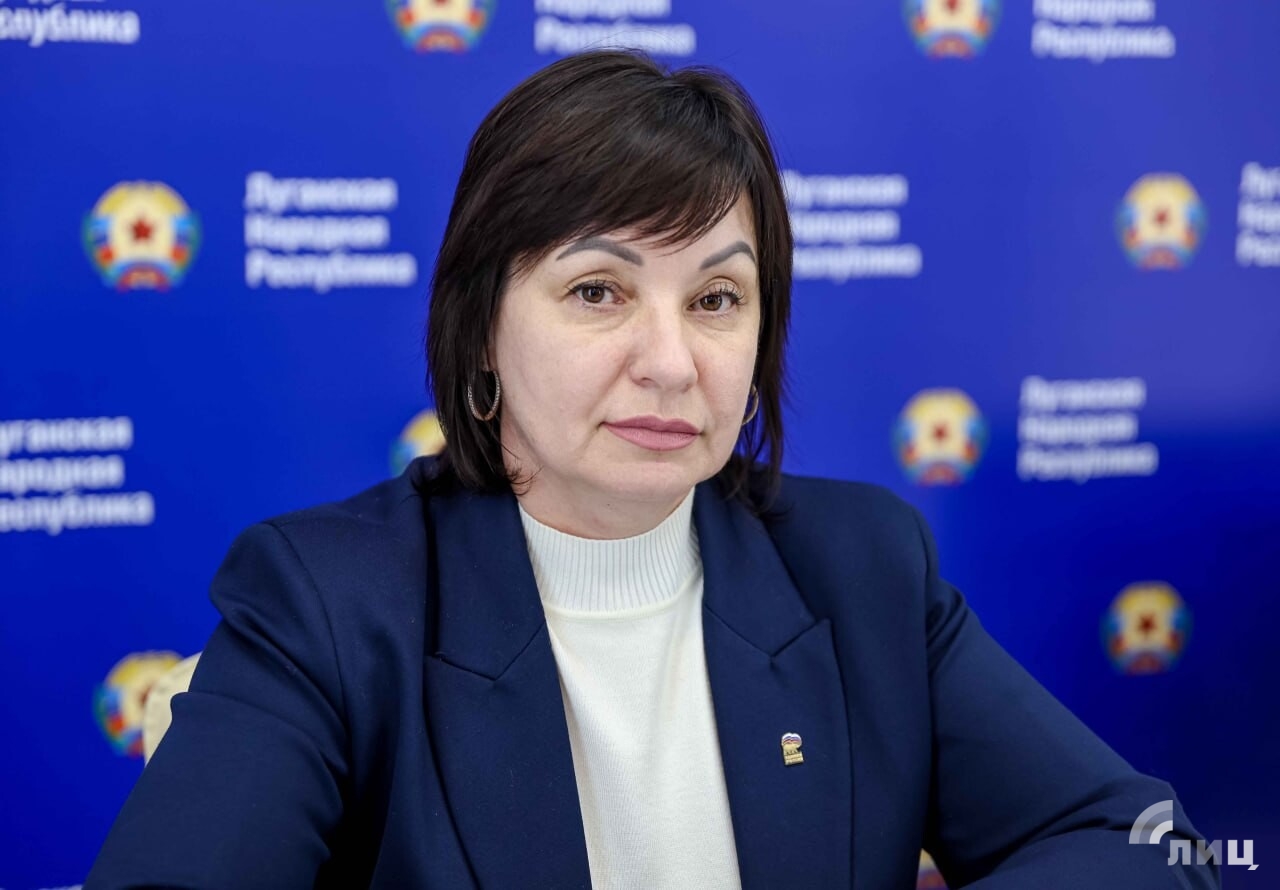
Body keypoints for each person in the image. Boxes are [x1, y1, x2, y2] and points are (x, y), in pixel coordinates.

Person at [86, 50, 1220, 890]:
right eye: (599, 291)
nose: (673, 362)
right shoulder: (328, 604)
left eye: (716, 298)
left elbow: (1141, 845)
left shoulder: (861, 565)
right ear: (482, 331)